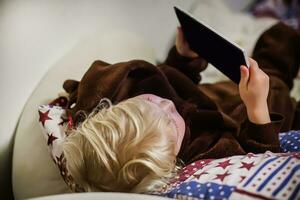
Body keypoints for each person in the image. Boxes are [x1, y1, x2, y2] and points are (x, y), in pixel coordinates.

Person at [61, 22, 300, 193]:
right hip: (267, 111)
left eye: (147, 102)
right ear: (171, 163)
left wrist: (185, 57)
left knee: (278, 36)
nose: (165, 103)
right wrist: (257, 107)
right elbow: (258, 155)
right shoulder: (202, 155)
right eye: (167, 119)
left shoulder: (135, 101)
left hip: (229, 89)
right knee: (277, 75)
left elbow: (172, 83)